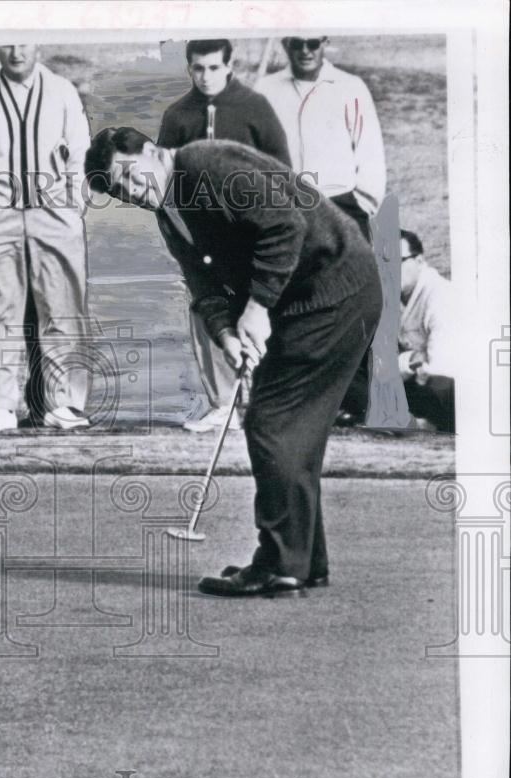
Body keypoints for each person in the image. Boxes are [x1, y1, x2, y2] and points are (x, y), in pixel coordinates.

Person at [84, 129, 382, 597]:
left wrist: (258, 308)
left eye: (127, 174)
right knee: (289, 429)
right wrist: (224, 334)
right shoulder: (167, 208)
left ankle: (280, 562)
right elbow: (200, 279)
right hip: (311, 296)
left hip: (332, 289)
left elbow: (285, 225)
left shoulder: (207, 164)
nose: (131, 191)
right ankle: (304, 560)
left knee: (271, 423)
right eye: (120, 192)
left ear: (150, 151)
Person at [0, 44, 92, 433]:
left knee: (62, 306)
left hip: (54, 212)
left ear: (39, 42)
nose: (15, 51)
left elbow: (80, 152)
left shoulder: (62, 90)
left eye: (24, 41)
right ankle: (0, 404)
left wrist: (74, 205)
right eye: (7, 42)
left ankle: (65, 403)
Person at [158, 38, 290, 434]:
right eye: (198, 68)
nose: (206, 76)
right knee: (209, 311)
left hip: (251, 231)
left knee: (261, 312)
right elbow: (164, 178)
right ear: (189, 68)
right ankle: (223, 404)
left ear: (229, 66)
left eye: (214, 68)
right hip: (203, 235)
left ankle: (269, 404)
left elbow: (281, 171)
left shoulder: (255, 108)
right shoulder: (178, 115)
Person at [257, 37, 387, 424]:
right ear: (284, 44)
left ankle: (359, 401)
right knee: (296, 306)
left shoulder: (350, 87)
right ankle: (307, 399)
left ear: (325, 41)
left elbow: (369, 151)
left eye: (313, 42)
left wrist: (360, 204)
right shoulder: (266, 90)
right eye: (296, 43)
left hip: (341, 204)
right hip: (288, 210)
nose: (305, 50)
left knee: (352, 303)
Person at [398, 229, 455, 432]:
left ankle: (428, 422)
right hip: (416, 380)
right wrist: (409, 361)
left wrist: (403, 363)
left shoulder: (441, 296)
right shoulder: (389, 297)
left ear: (420, 261)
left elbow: (440, 367)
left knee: (440, 386)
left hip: (454, 387)